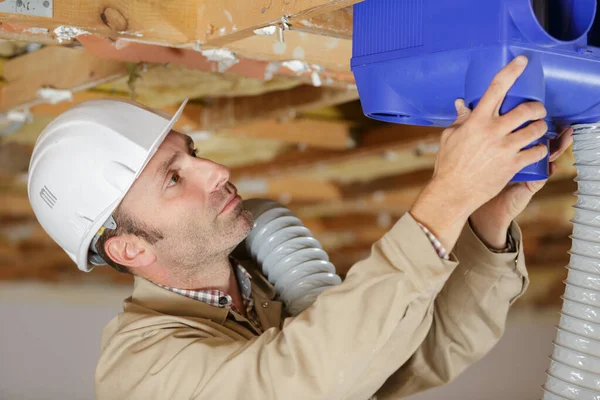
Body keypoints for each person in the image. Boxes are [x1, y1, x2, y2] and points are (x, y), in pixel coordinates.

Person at [27, 56, 572, 399]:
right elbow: (303, 383)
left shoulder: (261, 287)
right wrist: (447, 195)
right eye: (174, 178)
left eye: (192, 154)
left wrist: (485, 217)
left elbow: (408, 362)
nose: (215, 171)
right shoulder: (141, 373)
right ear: (129, 247)